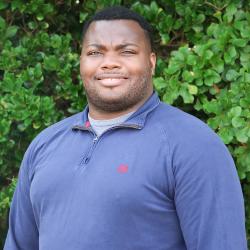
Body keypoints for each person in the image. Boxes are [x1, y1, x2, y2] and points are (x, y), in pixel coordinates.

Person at [4, 6, 247, 250]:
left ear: (151, 62)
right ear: (81, 62)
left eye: (127, 51)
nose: (109, 63)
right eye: (95, 52)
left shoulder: (194, 145)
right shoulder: (45, 144)